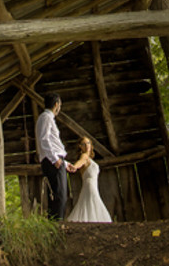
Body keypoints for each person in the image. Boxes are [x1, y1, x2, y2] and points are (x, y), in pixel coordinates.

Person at [35, 92, 73, 220]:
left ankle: (55, 222)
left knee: (58, 193)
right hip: (52, 160)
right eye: (60, 105)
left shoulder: (47, 118)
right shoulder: (46, 117)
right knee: (59, 195)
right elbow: (44, 140)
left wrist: (65, 163)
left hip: (57, 160)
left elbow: (54, 143)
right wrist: (54, 159)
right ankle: (57, 224)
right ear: (56, 104)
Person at [65, 136, 112, 223]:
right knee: (93, 202)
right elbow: (80, 162)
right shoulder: (84, 156)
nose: (87, 146)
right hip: (89, 185)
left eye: (88, 143)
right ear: (80, 146)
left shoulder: (89, 159)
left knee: (89, 204)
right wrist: (75, 166)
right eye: (84, 144)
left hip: (93, 185)